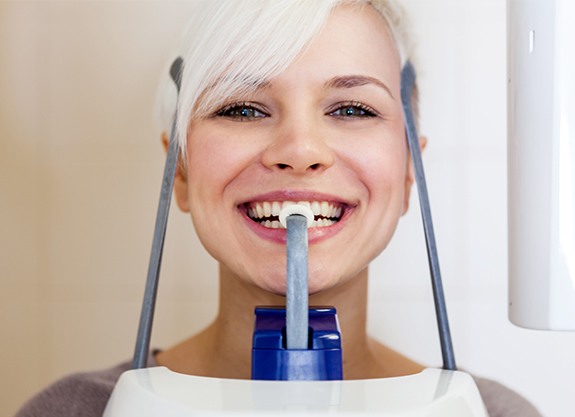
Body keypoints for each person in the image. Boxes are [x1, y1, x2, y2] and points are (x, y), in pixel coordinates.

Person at [15, 1, 542, 416]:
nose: (299, 151)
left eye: (352, 108)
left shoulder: (497, 415)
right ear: (179, 169)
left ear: (409, 174)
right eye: (242, 108)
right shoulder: (73, 412)